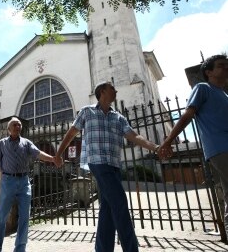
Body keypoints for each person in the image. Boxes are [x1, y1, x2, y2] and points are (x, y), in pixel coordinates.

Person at [54, 81, 160, 252]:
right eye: (112, 88)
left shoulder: (118, 117)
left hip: (114, 165)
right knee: (120, 204)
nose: (116, 91)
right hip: (97, 163)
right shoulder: (87, 112)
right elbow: (71, 133)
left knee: (108, 209)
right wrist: (58, 154)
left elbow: (134, 136)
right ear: (102, 91)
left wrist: (155, 147)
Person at [158, 54, 228, 237]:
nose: (226, 68)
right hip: (220, 148)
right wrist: (168, 141)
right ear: (209, 72)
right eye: (221, 65)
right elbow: (187, 115)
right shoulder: (203, 88)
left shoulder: (224, 94)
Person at [0, 117, 56, 252]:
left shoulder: (26, 143)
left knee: (25, 216)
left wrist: (53, 159)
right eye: (15, 125)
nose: (18, 127)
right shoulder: (2, 144)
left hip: (24, 182)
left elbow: (38, 154)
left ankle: (20, 248)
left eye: (19, 125)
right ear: (8, 129)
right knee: (1, 215)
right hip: (7, 181)